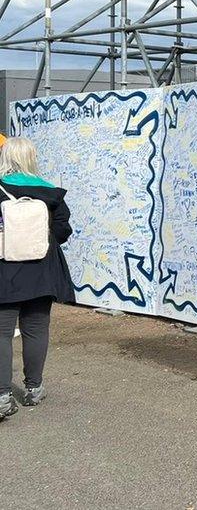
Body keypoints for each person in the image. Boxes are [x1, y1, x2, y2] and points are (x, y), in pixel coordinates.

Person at [0, 136, 74, 420]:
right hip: (43, 270)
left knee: (2, 333)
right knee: (36, 329)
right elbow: (63, 231)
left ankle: (3, 395)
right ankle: (34, 389)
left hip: (5, 271)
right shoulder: (51, 192)